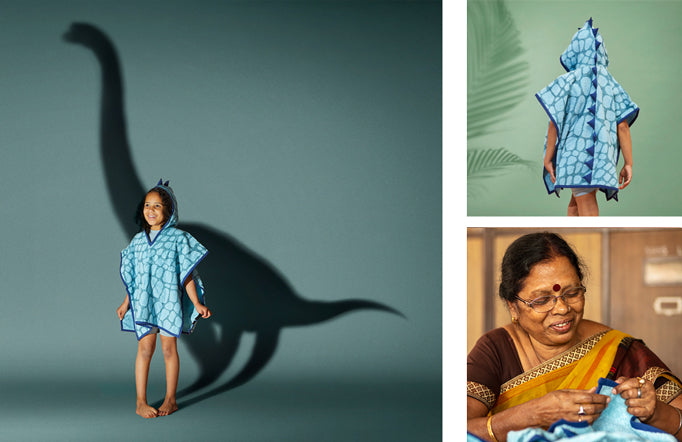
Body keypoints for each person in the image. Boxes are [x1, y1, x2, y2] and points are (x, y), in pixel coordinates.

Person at [467, 232, 682, 441]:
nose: (561, 308)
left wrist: (655, 413)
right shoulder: (495, 349)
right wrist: (531, 415)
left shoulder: (620, 349)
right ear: (513, 307)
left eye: (572, 293)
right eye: (542, 300)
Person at [116, 180, 211, 418]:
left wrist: (197, 303)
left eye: (157, 206)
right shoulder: (138, 241)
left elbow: (186, 275)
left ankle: (171, 399)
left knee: (169, 349)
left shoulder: (178, 239)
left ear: (169, 211)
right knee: (145, 349)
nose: (150, 210)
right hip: (144, 303)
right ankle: (140, 401)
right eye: (147, 205)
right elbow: (135, 278)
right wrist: (126, 303)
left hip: (169, 302)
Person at [536, 18, 639, 216]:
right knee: (582, 201)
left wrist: (548, 158)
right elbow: (622, 126)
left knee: (579, 202)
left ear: (576, 49)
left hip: (572, 158)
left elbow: (553, 123)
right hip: (599, 159)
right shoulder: (611, 84)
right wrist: (628, 163)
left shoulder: (568, 81)